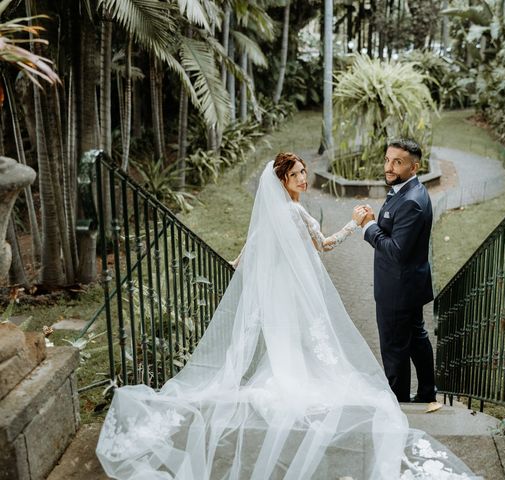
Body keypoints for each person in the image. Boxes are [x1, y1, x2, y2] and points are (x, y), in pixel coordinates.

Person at [96, 152, 476, 479]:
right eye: (296, 175)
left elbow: (284, 243)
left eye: (304, 173)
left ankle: (289, 377)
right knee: (299, 343)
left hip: (289, 289)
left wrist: (241, 260)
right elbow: (296, 244)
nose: (303, 179)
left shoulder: (284, 212)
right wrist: (353, 224)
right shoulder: (291, 212)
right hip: (292, 291)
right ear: (282, 179)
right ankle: (292, 381)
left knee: (295, 341)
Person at [355, 139, 441, 411]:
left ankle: (398, 401)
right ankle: (427, 391)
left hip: (397, 288)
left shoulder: (412, 201)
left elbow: (396, 250)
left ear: (414, 167)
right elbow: (394, 229)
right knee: (416, 338)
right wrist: (376, 219)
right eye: (387, 160)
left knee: (394, 349)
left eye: (397, 162)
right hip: (409, 284)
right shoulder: (406, 189)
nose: (389, 167)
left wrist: (368, 227)